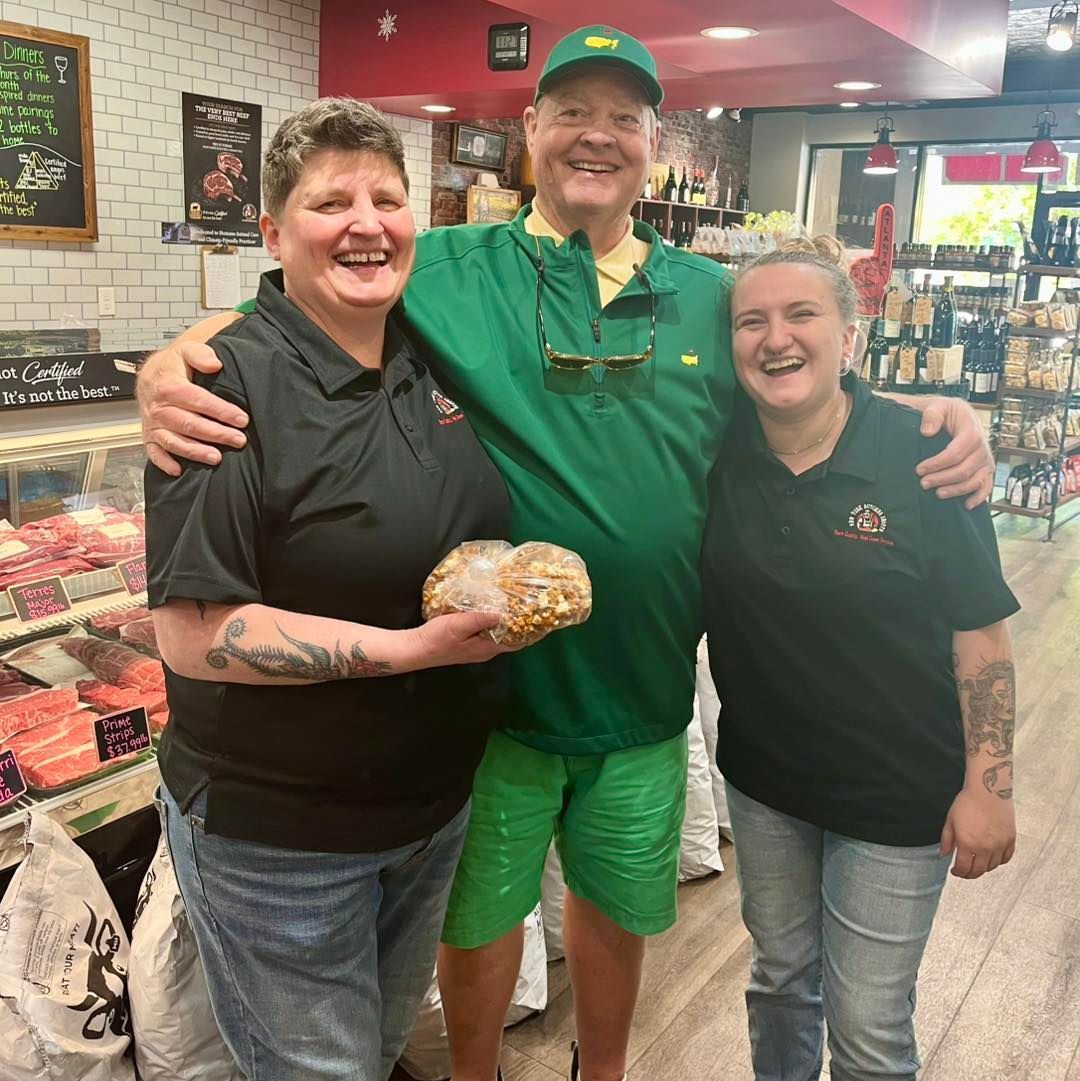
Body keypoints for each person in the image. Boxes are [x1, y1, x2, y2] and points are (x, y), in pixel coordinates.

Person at [137, 28, 995, 1081]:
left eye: (624, 118)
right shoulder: (443, 267)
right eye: (571, 112)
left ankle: (605, 1070)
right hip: (486, 688)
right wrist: (177, 359)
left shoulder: (706, 294)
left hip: (644, 686)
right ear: (528, 131)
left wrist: (929, 411)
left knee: (615, 905)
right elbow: (311, 291)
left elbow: (800, 378)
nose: (597, 135)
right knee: (482, 912)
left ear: (653, 140)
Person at [146, 98, 516, 1081]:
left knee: (379, 1049)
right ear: (272, 231)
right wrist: (408, 650)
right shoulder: (223, 387)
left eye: (387, 198)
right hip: (283, 841)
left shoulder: (424, 348)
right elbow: (193, 635)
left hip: (429, 813)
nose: (366, 221)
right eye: (330, 201)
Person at [701, 236, 1018, 1081]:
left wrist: (989, 783)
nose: (776, 339)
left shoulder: (926, 456)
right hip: (766, 784)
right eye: (752, 321)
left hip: (897, 793)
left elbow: (980, 631)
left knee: (871, 1026)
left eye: (802, 314)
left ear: (850, 337)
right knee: (779, 980)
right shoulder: (718, 450)